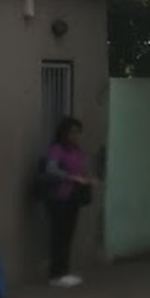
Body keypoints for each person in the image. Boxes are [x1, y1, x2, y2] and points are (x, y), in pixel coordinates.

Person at [41, 117, 96, 287]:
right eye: (72, 132)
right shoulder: (57, 149)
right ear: (63, 133)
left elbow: (82, 170)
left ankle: (64, 270)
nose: (75, 136)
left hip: (74, 196)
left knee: (68, 234)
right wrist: (70, 177)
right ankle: (55, 273)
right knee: (59, 235)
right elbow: (51, 169)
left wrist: (87, 180)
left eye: (78, 132)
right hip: (59, 197)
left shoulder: (78, 151)